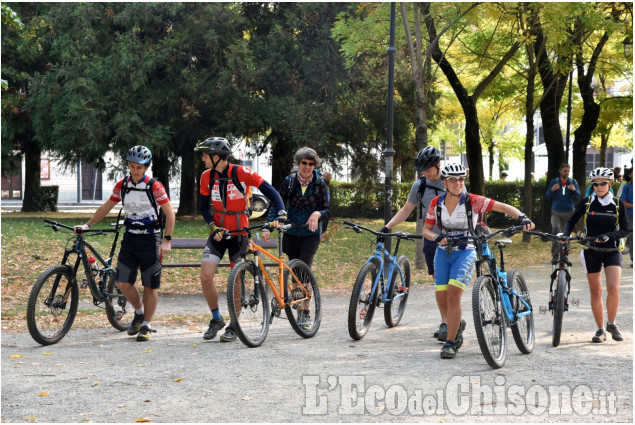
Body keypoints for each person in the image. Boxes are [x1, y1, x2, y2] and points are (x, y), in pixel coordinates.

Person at [423, 163, 534, 359]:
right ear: (444, 183)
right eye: (453, 180)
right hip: (443, 252)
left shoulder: (472, 201)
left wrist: (522, 217)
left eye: (461, 179)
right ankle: (455, 325)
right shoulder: (436, 203)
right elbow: (426, 230)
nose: (458, 183)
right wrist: (436, 237)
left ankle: (451, 342)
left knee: (453, 294)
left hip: (466, 251)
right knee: (441, 296)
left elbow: (501, 206)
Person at [74, 145, 175, 342]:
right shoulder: (123, 185)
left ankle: (146, 325)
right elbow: (106, 207)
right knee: (122, 282)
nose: (135, 170)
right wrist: (87, 225)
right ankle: (139, 312)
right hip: (130, 238)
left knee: (150, 285)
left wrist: (167, 240)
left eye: (139, 167)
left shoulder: (155, 186)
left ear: (146, 167)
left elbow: (170, 214)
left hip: (150, 239)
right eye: (132, 166)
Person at [195, 137, 285, 343]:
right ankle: (216, 318)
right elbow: (203, 207)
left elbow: (269, 190)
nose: (202, 159)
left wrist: (281, 211)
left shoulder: (241, 173)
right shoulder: (206, 177)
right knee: (205, 276)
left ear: (216, 157)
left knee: (236, 280)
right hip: (218, 233)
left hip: (240, 234)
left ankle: (234, 324)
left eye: (205, 155)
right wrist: (212, 226)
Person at [379, 146, 447, 340]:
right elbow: (406, 209)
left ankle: (450, 321)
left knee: (450, 284)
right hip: (431, 238)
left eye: (428, 168)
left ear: (438, 165)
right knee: (439, 283)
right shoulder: (420, 185)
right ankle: (446, 321)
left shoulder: (452, 181)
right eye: (422, 169)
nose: (424, 172)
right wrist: (388, 226)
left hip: (452, 239)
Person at [562, 167, 630, 343]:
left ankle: (612, 324)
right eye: (595, 184)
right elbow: (571, 220)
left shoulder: (617, 203)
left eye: (602, 183)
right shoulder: (586, 202)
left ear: (610, 183)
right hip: (591, 250)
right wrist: (565, 234)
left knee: (613, 288)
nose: (599, 187)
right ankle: (600, 329)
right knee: (596, 291)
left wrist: (610, 235)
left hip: (612, 250)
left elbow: (625, 229)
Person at [263, 147, 330, 269]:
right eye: (304, 163)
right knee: (294, 270)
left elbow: (326, 211)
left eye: (311, 164)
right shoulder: (289, 181)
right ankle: (301, 288)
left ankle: (305, 287)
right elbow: (276, 204)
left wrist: (317, 214)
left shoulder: (320, 183)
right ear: (298, 163)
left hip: (311, 233)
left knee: (304, 267)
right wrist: (268, 227)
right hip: (291, 231)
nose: (307, 167)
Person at [546, 164, 580, 256]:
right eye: (565, 171)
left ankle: (565, 252)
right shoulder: (554, 182)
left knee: (566, 233)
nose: (567, 173)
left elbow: (578, 195)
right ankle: (555, 253)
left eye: (568, 171)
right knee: (555, 231)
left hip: (569, 212)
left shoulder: (573, 182)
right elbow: (547, 196)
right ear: (560, 171)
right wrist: (552, 190)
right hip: (556, 212)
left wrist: (574, 190)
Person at [619, 165, 633, 266]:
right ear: (630, 175)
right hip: (631, 215)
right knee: (632, 237)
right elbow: (623, 202)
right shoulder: (627, 187)